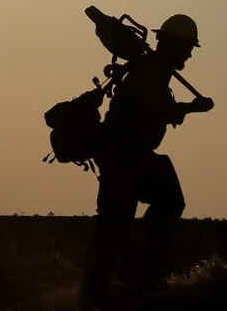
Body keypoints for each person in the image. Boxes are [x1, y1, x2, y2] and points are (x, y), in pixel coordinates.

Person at [78, 15, 214, 308]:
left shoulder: (154, 70)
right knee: (116, 227)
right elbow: (156, 110)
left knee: (140, 214)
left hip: (132, 157)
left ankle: (123, 280)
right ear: (174, 45)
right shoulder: (149, 71)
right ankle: (101, 291)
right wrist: (191, 108)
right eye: (188, 47)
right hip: (124, 158)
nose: (190, 53)